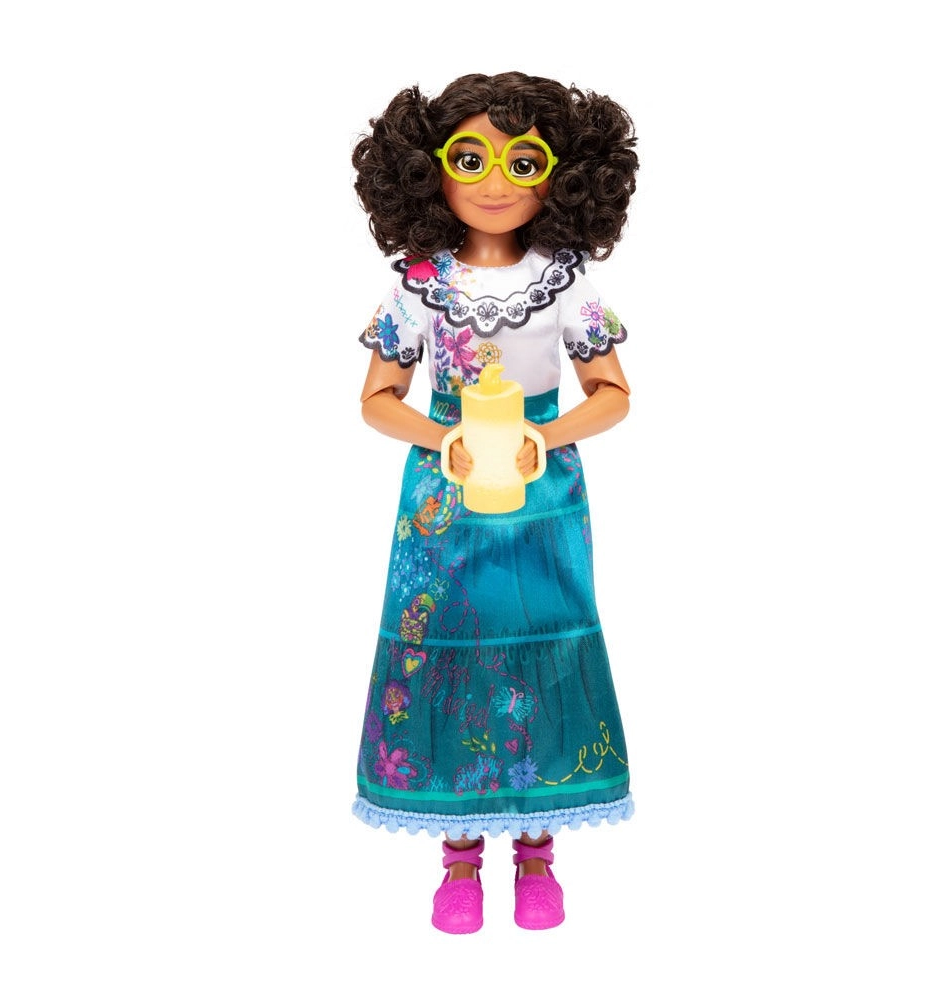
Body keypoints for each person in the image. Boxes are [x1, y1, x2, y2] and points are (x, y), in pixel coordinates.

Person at [351, 71, 638, 934]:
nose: (495, 181)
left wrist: (545, 436)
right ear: (426, 170)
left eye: (525, 161)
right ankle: (459, 855)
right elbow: (377, 399)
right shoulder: (420, 284)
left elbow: (613, 392)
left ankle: (538, 852)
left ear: (565, 177)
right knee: (446, 644)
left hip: (541, 487)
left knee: (544, 638)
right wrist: (439, 435)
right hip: (443, 493)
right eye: (469, 158)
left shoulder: (565, 282)